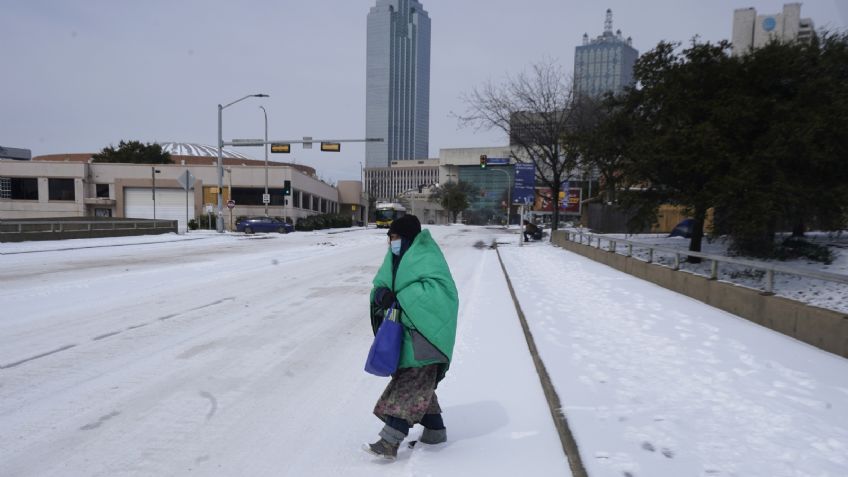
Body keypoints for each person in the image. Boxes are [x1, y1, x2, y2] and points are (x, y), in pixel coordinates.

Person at [364, 214, 459, 460]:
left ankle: (389, 441)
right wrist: (381, 295)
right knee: (420, 386)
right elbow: (381, 286)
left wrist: (399, 299)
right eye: (389, 238)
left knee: (408, 386)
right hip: (405, 337)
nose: (391, 242)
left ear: (407, 238)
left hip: (426, 338)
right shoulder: (395, 259)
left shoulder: (428, 258)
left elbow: (438, 294)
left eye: (395, 237)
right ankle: (435, 432)